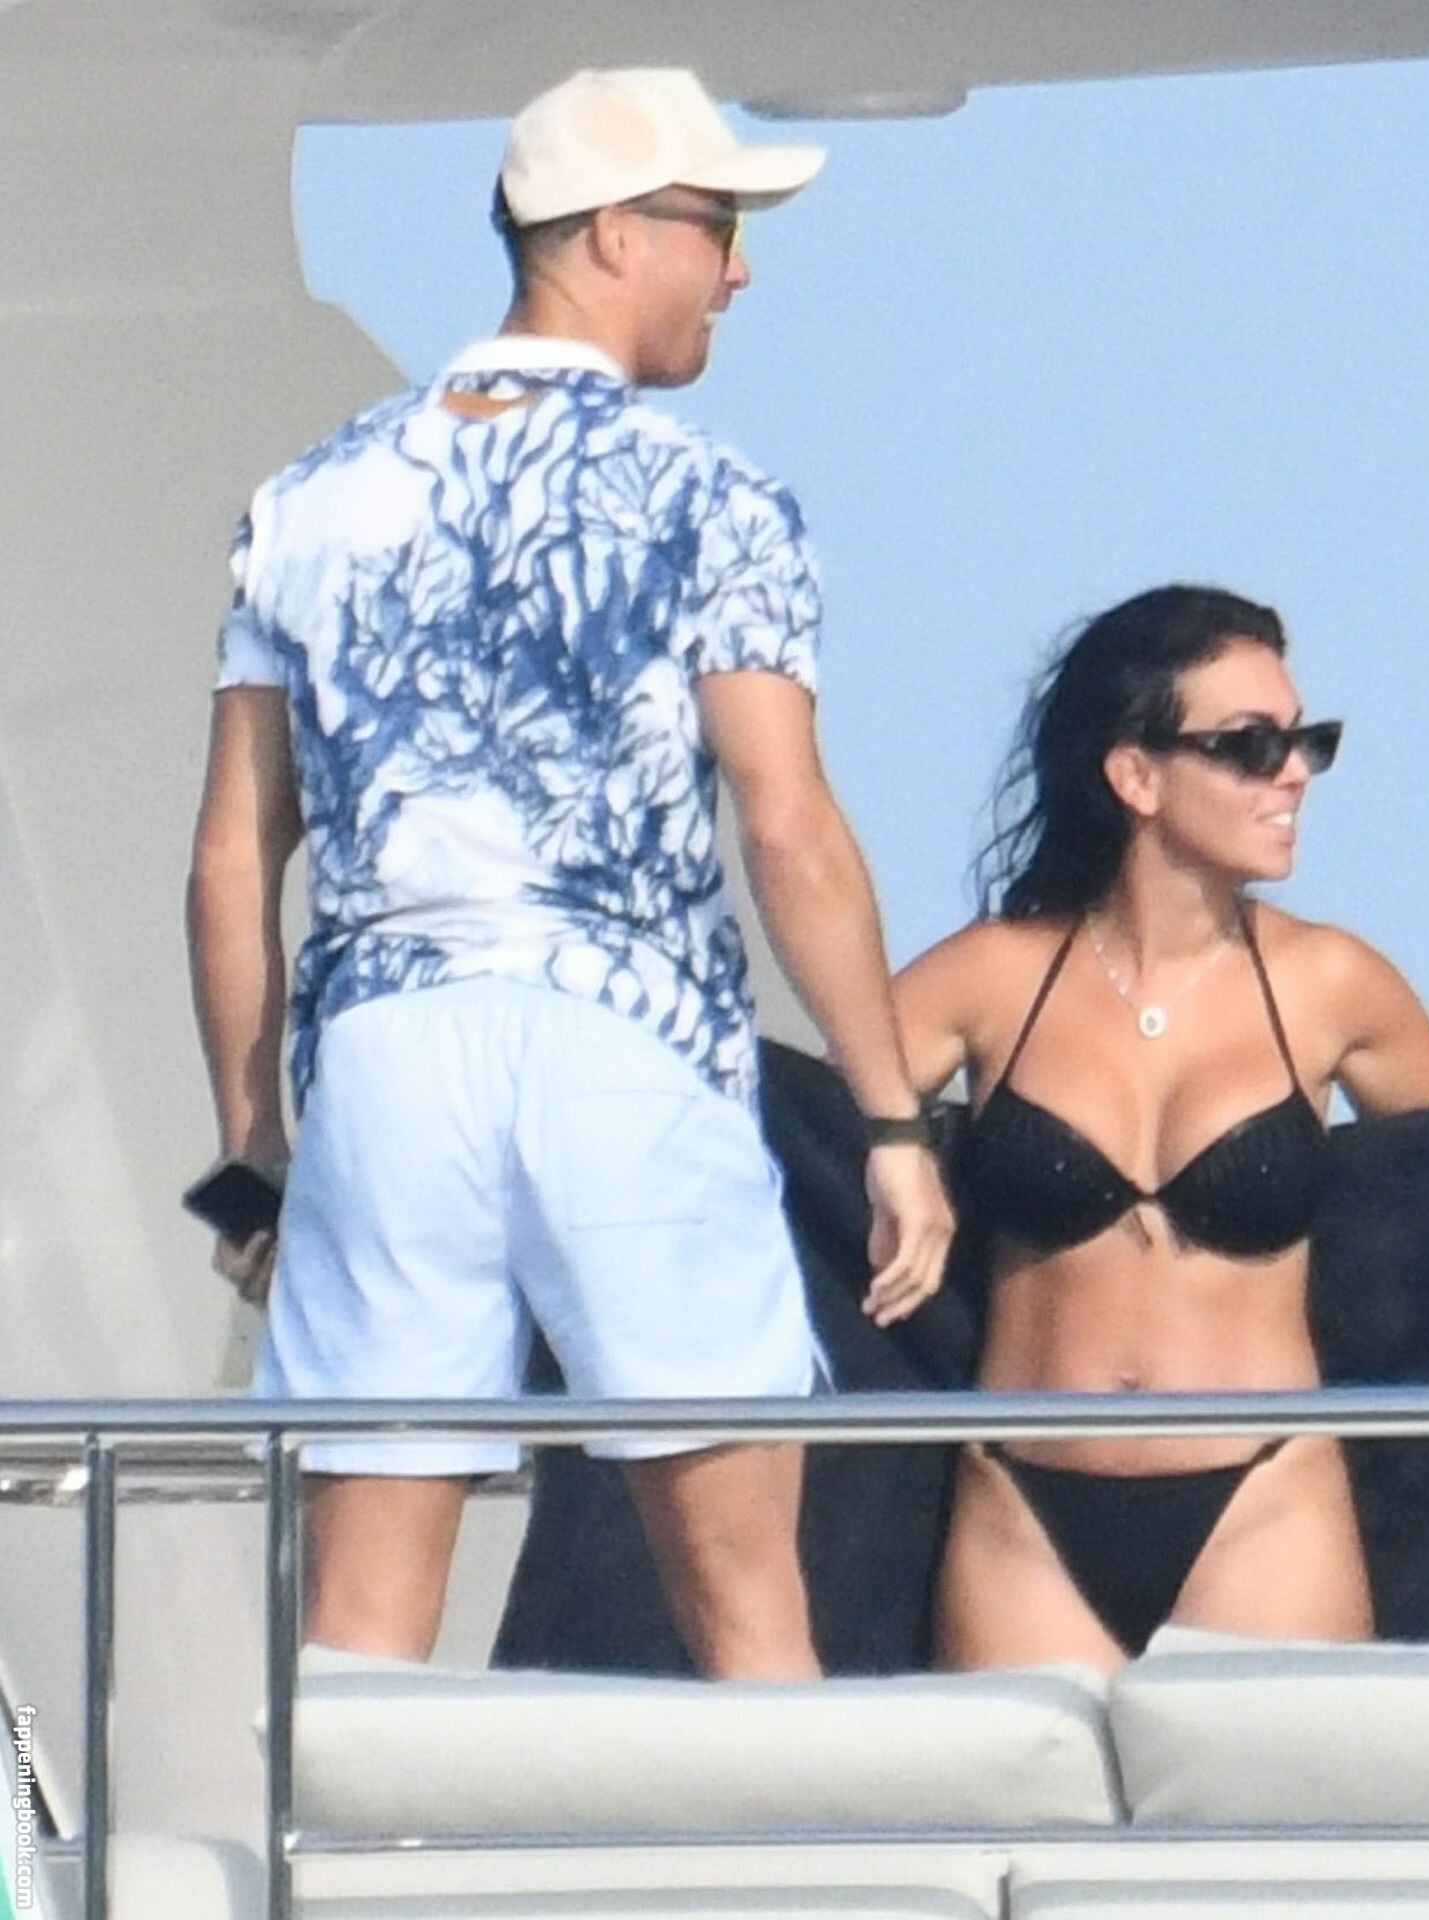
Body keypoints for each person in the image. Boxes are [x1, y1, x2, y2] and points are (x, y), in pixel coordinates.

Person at [186, 67, 952, 1678]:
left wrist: (256, 1155)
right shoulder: (710, 495)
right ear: (614, 233)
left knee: (359, 1636)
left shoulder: (308, 498)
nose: (739, 268)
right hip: (628, 1041)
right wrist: (891, 1122)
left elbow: (233, 857)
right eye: (719, 224)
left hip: (389, 1054)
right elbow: (788, 823)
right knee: (747, 1610)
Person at [890, 584, 1429, 1670]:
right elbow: (805, 1119)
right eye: (1251, 746)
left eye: (1305, 742)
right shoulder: (992, 976)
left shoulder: (1330, 982)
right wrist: (898, 1152)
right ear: (1135, 775)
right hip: (1023, 1508)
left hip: (1265, 1503)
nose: (1292, 773)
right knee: (1012, 1789)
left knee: (1293, 1789)